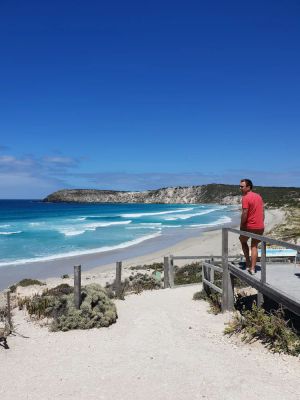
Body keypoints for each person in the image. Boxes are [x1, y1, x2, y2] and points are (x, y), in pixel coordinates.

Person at [239, 179, 264, 274]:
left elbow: (245, 213)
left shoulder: (245, 197)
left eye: (242, 186)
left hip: (250, 226)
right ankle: (253, 269)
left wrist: (242, 225)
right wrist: (261, 222)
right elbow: (263, 212)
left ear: (248, 187)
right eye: (240, 186)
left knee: (242, 240)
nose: (240, 188)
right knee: (254, 246)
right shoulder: (259, 196)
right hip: (260, 226)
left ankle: (248, 262)